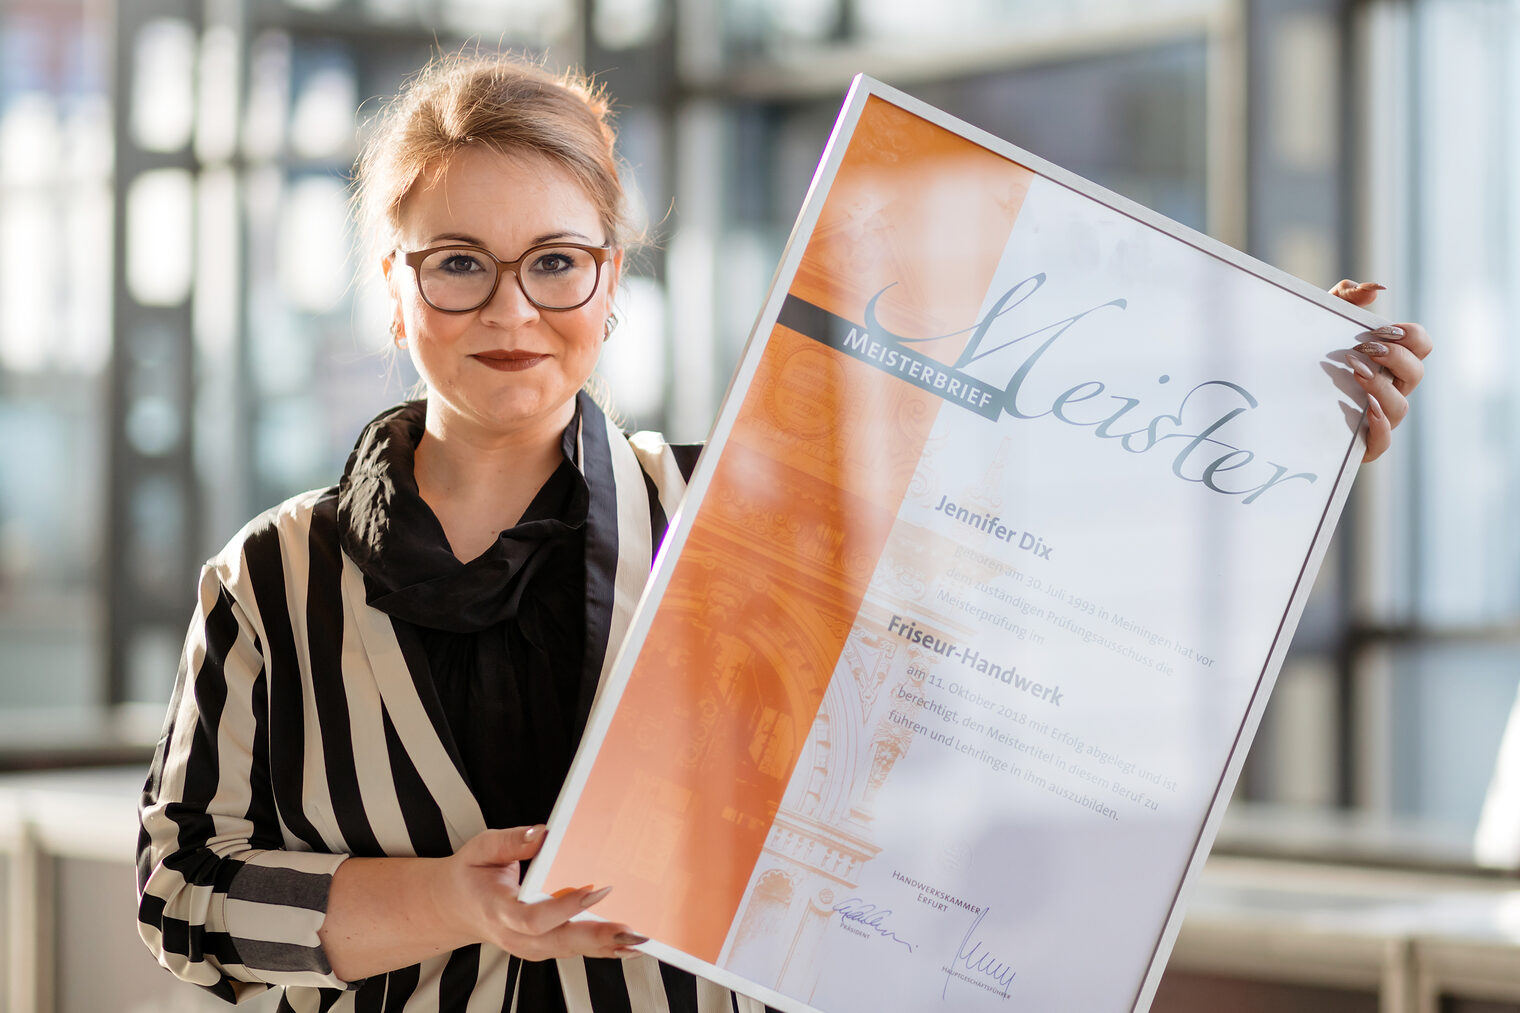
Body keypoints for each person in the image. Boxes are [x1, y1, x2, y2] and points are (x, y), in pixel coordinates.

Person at [135, 51, 1431, 1013]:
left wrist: (1275, 396)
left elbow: (1025, 586)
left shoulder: (738, 515)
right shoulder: (273, 577)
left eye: (556, 260)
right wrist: (458, 902)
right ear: (393, 285)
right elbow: (183, 894)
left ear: (612, 280)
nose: (510, 306)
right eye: (456, 260)